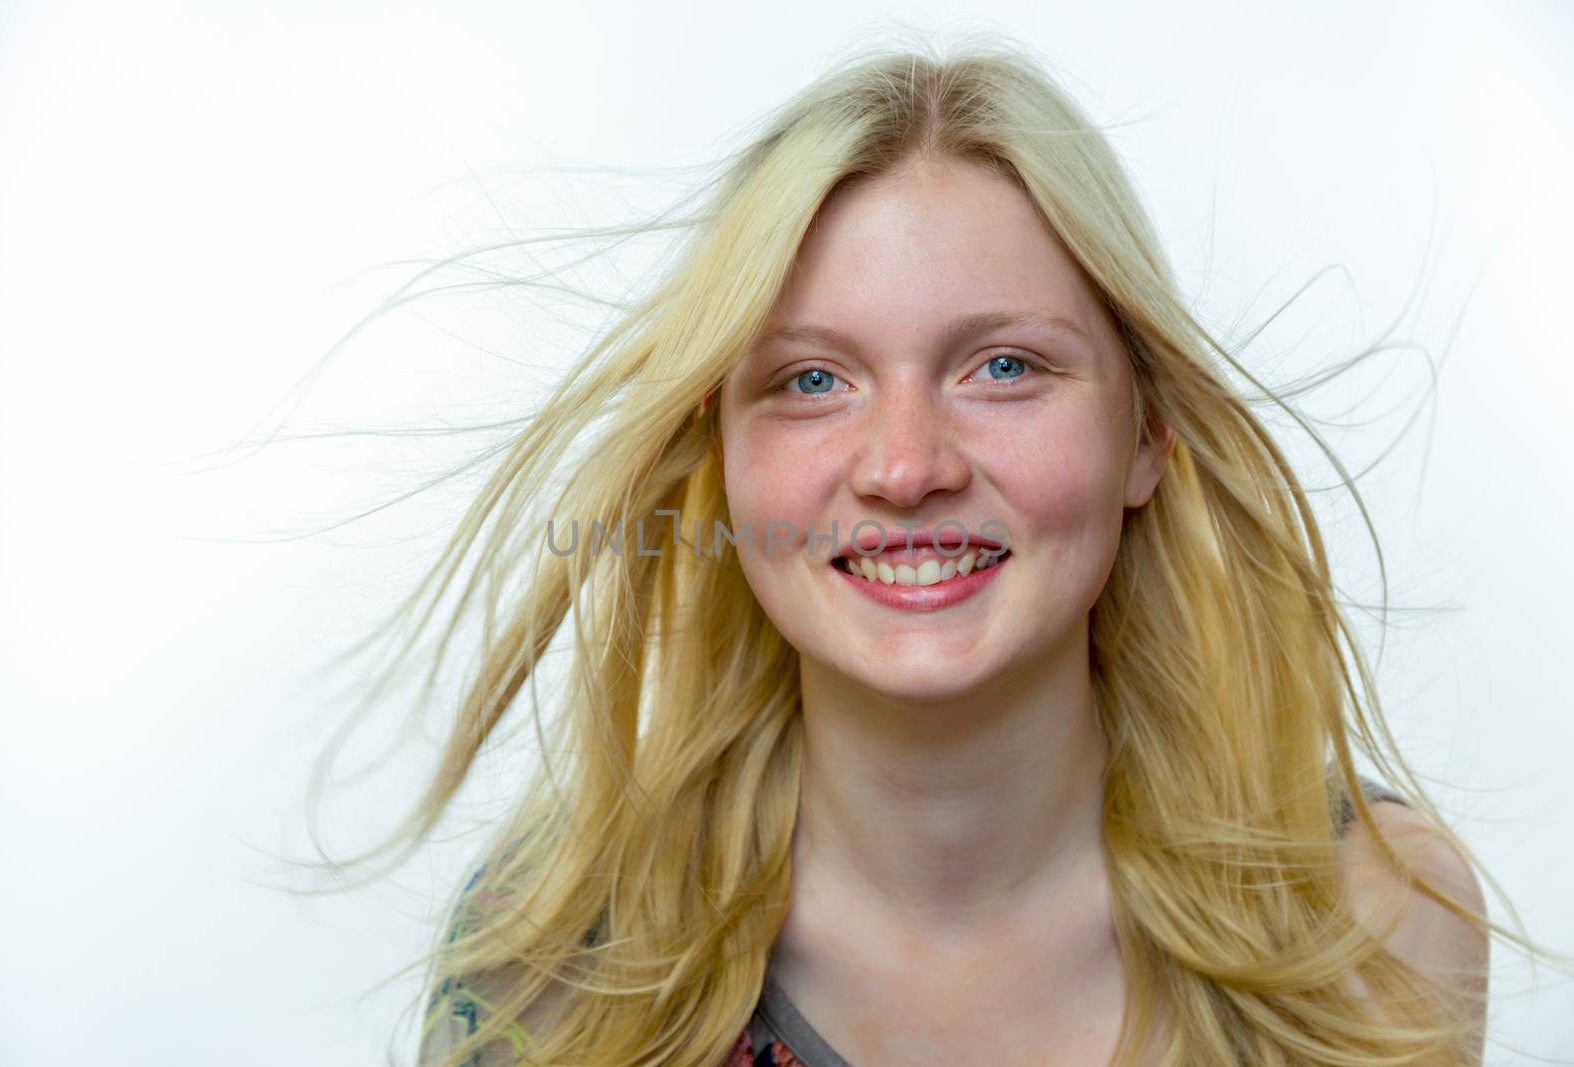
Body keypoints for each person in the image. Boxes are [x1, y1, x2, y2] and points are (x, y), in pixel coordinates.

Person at [307, 36, 1557, 1067]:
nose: (905, 467)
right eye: (810, 379)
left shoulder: (1373, 913)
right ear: (724, 467)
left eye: (1004, 366)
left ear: (1147, 432)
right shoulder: (553, 958)